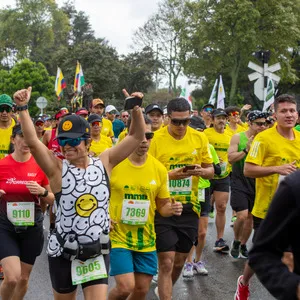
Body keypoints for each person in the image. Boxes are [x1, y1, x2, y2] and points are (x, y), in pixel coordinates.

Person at [13, 86, 145, 300]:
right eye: (63, 142)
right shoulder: (57, 169)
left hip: (96, 252)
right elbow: (33, 143)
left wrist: (136, 109)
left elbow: (137, 136)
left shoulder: (105, 162)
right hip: (64, 252)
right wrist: (23, 108)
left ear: (88, 141)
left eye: (73, 141)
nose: (67, 147)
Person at [108, 115, 183, 300]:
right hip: (119, 236)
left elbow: (162, 207)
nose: (144, 140)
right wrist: (102, 216)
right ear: (128, 134)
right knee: (125, 287)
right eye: (140, 135)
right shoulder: (113, 164)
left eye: (149, 136)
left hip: (146, 238)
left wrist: (172, 209)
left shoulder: (158, 169)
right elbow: (96, 195)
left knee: (141, 290)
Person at [234, 94, 300, 300]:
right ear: (275, 114)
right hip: (268, 208)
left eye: (292, 110)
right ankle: (243, 283)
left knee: (290, 256)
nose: (289, 115)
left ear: (297, 114)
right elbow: (248, 170)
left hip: (295, 208)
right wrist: (277, 169)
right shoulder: (264, 139)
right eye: (284, 111)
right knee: (264, 252)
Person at [149, 97, 214, 300]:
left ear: (191, 117)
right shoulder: (155, 139)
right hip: (163, 206)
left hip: (189, 207)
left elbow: (212, 171)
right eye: (176, 121)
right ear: (168, 118)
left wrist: (202, 172)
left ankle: (164, 288)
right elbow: (146, 174)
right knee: (166, 262)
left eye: (185, 121)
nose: (180, 126)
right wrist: (169, 176)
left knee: (179, 262)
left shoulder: (199, 138)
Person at [0, 124, 54, 300]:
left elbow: (54, 198)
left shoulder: (40, 165)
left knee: (23, 279)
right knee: (12, 278)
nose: (25, 141)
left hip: (32, 226)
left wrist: (42, 192)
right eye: (20, 136)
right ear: (12, 139)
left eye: (28, 137)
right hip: (5, 226)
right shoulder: (2, 165)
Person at [248, 171, 300, 300]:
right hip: (264, 202)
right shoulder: (294, 186)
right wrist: (294, 287)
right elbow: (262, 253)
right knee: (287, 257)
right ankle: (244, 282)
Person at [183, 116, 221, 278]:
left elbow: (216, 170)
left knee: (202, 232)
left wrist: (204, 171)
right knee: (190, 230)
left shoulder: (207, 146)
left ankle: (198, 261)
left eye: (199, 132)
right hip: (186, 192)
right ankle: (188, 263)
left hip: (203, 190)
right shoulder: (182, 146)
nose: (196, 135)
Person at [228, 111, 268, 259]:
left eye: (264, 123)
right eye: (258, 123)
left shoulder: (266, 139)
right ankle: (237, 241)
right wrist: (246, 149)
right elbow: (231, 158)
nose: (261, 126)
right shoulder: (239, 137)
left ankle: (243, 244)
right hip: (239, 181)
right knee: (242, 215)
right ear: (249, 123)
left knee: (251, 217)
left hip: (257, 183)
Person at [204, 108, 231, 253]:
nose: (221, 120)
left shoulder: (231, 135)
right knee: (202, 209)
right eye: (218, 118)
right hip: (207, 176)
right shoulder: (205, 134)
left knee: (221, 207)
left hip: (223, 176)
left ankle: (219, 239)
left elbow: (232, 154)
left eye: (224, 118)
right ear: (212, 120)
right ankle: (198, 236)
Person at [0, 94, 16, 160]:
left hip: (12, 168)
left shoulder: (18, 129)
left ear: (12, 111)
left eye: (7, 109)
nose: (4, 112)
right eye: (1, 109)